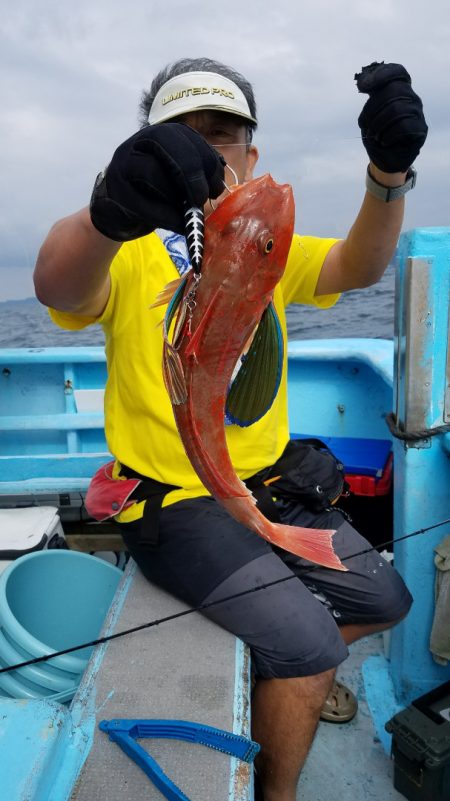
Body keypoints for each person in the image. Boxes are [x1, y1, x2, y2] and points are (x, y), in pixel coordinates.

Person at [34, 57, 427, 801]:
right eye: (180, 134)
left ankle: (277, 672)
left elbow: (359, 263)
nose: (207, 148)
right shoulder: (127, 248)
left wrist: (387, 176)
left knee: (388, 599)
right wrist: (106, 212)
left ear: (252, 155)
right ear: (146, 149)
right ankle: (276, 781)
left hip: (265, 484)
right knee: (311, 646)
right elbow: (58, 281)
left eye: (223, 133)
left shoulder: (265, 239)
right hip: (175, 502)